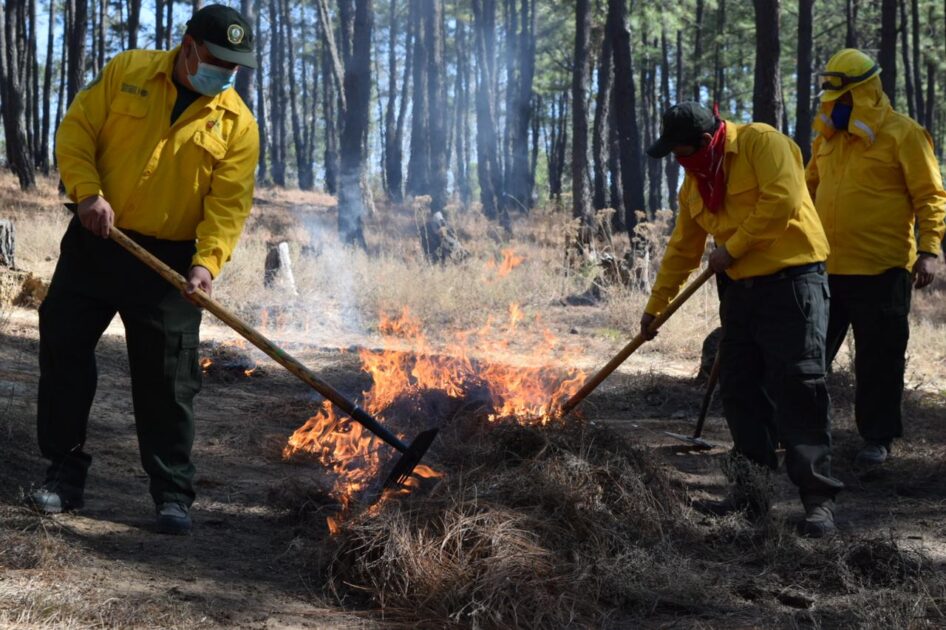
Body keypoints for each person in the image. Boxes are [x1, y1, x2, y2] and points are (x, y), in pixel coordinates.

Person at [30, 4, 260, 535]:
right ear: (189, 47)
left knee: (170, 380)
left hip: (171, 267)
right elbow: (76, 132)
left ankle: (172, 493)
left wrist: (206, 264)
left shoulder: (238, 125)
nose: (224, 73)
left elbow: (228, 205)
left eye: (234, 67)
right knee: (64, 350)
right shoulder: (127, 72)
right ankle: (63, 474)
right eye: (217, 61)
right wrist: (87, 194)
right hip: (97, 240)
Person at [642, 102, 843, 537]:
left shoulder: (762, 144)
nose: (679, 162)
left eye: (681, 152)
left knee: (799, 387)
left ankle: (817, 502)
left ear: (704, 141)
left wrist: (732, 249)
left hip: (793, 283)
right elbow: (684, 246)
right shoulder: (696, 184)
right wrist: (656, 306)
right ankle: (751, 496)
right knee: (740, 389)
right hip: (739, 293)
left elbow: (782, 201)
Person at [806, 49, 946, 469]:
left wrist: (929, 250)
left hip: (882, 270)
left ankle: (877, 439)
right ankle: (803, 433)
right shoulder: (826, 138)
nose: (833, 104)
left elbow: (931, 195)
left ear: (865, 92)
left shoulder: (904, 134)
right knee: (808, 358)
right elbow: (806, 191)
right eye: (830, 96)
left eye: (842, 95)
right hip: (825, 269)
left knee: (879, 360)